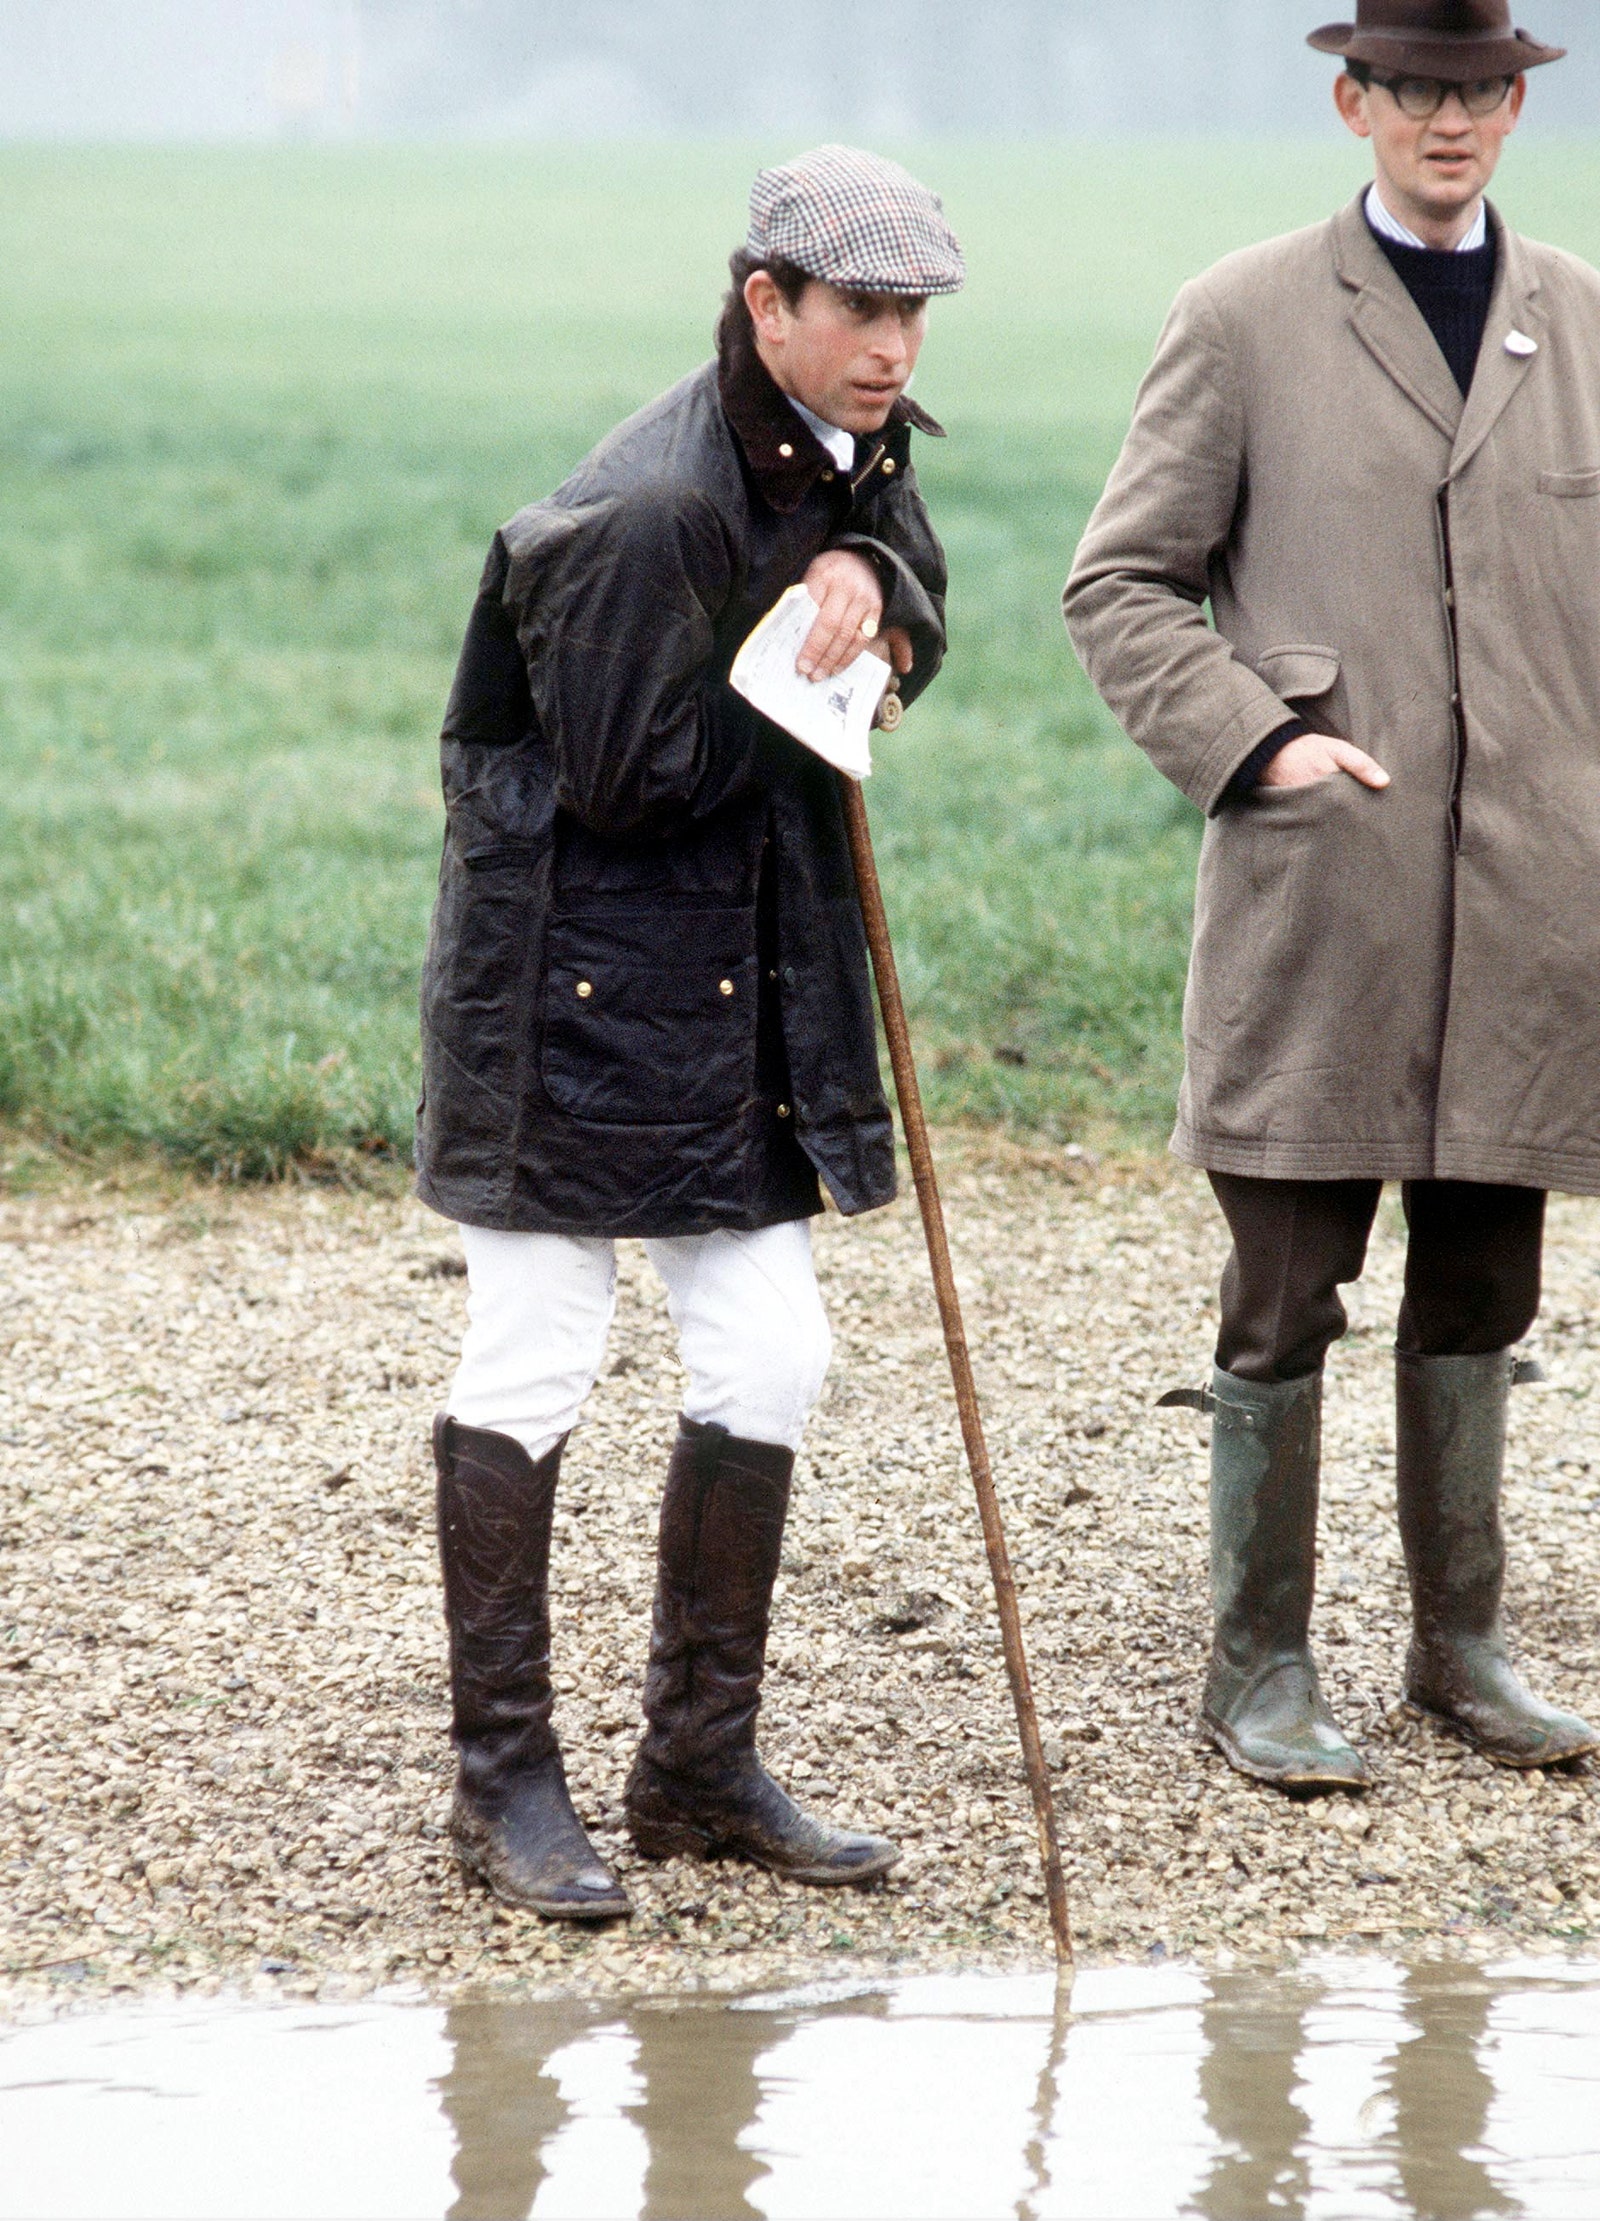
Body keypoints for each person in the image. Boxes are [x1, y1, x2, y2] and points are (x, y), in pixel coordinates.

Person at [417, 147, 964, 1916]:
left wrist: (873, 585)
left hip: (735, 985)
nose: (893, 345)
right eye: (862, 310)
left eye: (912, 312)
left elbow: (913, 605)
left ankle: (696, 1769)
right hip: (560, 990)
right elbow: (634, 779)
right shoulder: (651, 511)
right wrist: (807, 668)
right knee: (533, 1359)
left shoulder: (846, 454)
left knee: (774, 1357)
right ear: (766, 306)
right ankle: (504, 1787)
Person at [1064, 0, 1599, 1794]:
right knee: (1285, 1293)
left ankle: (1464, 1652)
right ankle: (1260, 1668)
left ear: (1517, 106)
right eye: (1419, 89)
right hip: (1325, 896)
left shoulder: (1586, 321)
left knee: (1482, 1291)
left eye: (1484, 89)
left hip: (1533, 911)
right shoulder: (1245, 317)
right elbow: (1123, 583)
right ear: (1356, 100)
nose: (1452, 121)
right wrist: (1258, 743)